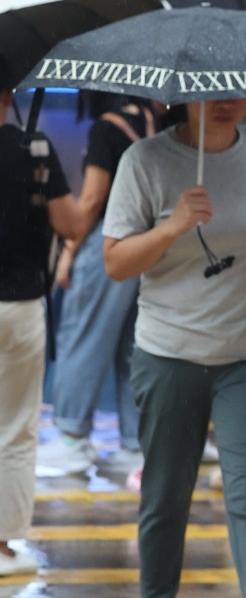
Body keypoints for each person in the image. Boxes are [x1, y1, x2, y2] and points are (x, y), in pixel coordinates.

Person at [101, 97, 246, 598]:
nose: (227, 104)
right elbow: (116, 262)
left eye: (237, 92)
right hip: (169, 353)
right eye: (213, 94)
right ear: (183, 96)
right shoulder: (145, 161)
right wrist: (172, 226)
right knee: (166, 498)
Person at [36, 94, 157, 475]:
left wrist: (69, 251)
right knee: (133, 348)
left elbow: (90, 201)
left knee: (82, 335)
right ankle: (134, 444)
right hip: (148, 245)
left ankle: (72, 438)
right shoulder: (157, 125)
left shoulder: (107, 127)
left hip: (109, 241)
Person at [0, 55, 77, 575]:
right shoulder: (35, 149)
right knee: (15, 426)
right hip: (20, 304)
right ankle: (2, 544)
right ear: (10, 96)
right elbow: (69, 222)